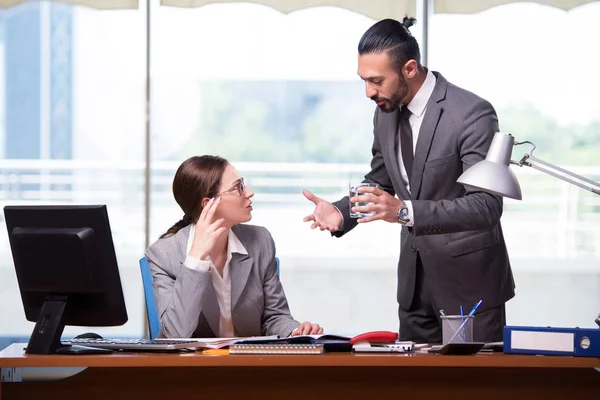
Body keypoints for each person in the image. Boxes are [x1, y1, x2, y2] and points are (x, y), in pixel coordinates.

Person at [302, 18, 515, 343]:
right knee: (414, 386)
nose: (368, 92)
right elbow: (381, 179)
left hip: (468, 287)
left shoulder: (472, 113)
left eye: (376, 80)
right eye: (363, 80)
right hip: (414, 288)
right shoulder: (385, 110)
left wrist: (404, 212)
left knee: (468, 389)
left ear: (410, 68)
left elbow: (485, 207)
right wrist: (342, 212)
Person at [146, 155, 323, 338]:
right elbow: (174, 334)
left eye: (243, 184)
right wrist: (196, 259)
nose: (249, 192)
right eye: (238, 187)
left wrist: (295, 331)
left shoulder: (260, 241)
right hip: (196, 365)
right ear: (209, 204)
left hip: (250, 363)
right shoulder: (164, 255)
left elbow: (274, 316)